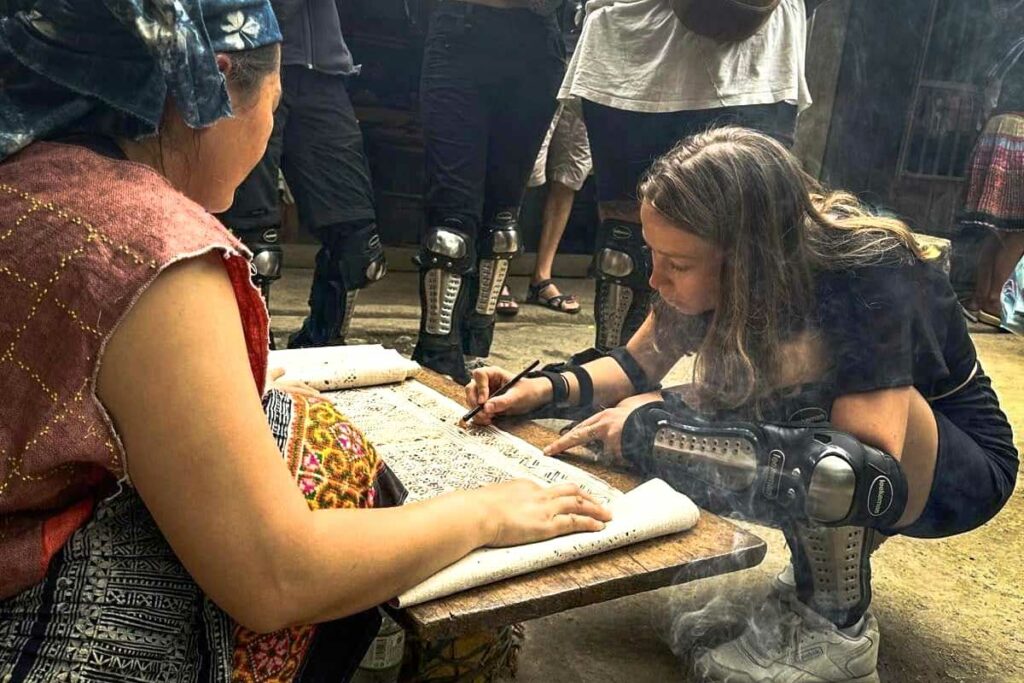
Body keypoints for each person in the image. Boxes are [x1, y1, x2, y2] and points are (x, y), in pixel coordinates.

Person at [0, 2, 610, 680]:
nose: (270, 126)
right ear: (219, 81)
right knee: (311, 440)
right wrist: (485, 511)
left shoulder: (29, 176)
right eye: (275, 100)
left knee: (285, 414)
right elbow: (274, 576)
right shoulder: (148, 250)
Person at [465, 128, 1018, 682]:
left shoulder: (868, 270)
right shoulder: (713, 268)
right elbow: (634, 366)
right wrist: (538, 391)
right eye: (654, 255)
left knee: (810, 456)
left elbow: (868, 459)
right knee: (668, 415)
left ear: (748, 258)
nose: (657, 279)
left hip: (950, 471)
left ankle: (835, 631)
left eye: (677, 264)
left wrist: (650, 429)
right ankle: (800, 590)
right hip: (851, 447)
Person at [560, 0, 812, 351]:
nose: (657, 280)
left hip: (756, 60)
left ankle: (741, 387)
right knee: (627, 251)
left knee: (753, 244)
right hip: (635, 47)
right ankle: (618, 365)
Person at [411, 0, 566, 383]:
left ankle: (477, 350)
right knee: (450, 228)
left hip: (537, 42)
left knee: (502, 226)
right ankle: (436, 357)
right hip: (459, 33)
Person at [217, 0, 387, 348]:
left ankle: (322, 355)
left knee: (358, 248)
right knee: (251, 248)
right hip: (243, 58)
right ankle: (250, 367)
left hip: (321, 71)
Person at [524, 2, 589, 316]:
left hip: (590, 59)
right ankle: (495, 274)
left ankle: (541, 277)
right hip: (543, 49)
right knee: (523, 166)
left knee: (570, 173)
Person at [961, 22, 1024, 333]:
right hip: (1020, 133)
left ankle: (978, 298)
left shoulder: (1012, 43)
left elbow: (988, 83)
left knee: (996, 226)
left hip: (996, 128)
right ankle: (992, 299)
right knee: (1021, 227)